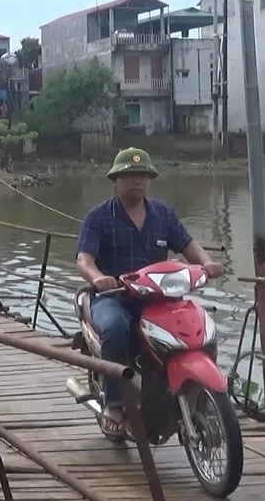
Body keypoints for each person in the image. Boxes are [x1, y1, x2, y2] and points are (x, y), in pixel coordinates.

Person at [75, 147, 224, 439]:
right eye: (129, 176)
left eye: (142, 176)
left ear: (150, 180)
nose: (136, 181)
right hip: (114, 299)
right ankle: (115, 405)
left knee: (196, 326)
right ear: (115, 180)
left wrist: (206, 264)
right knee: (116, 329)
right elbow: (84, 260)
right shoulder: (98, 217)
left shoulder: (162, 214)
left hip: (159, 299)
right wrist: (99, 278)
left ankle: (197, 394)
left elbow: (187, 244)